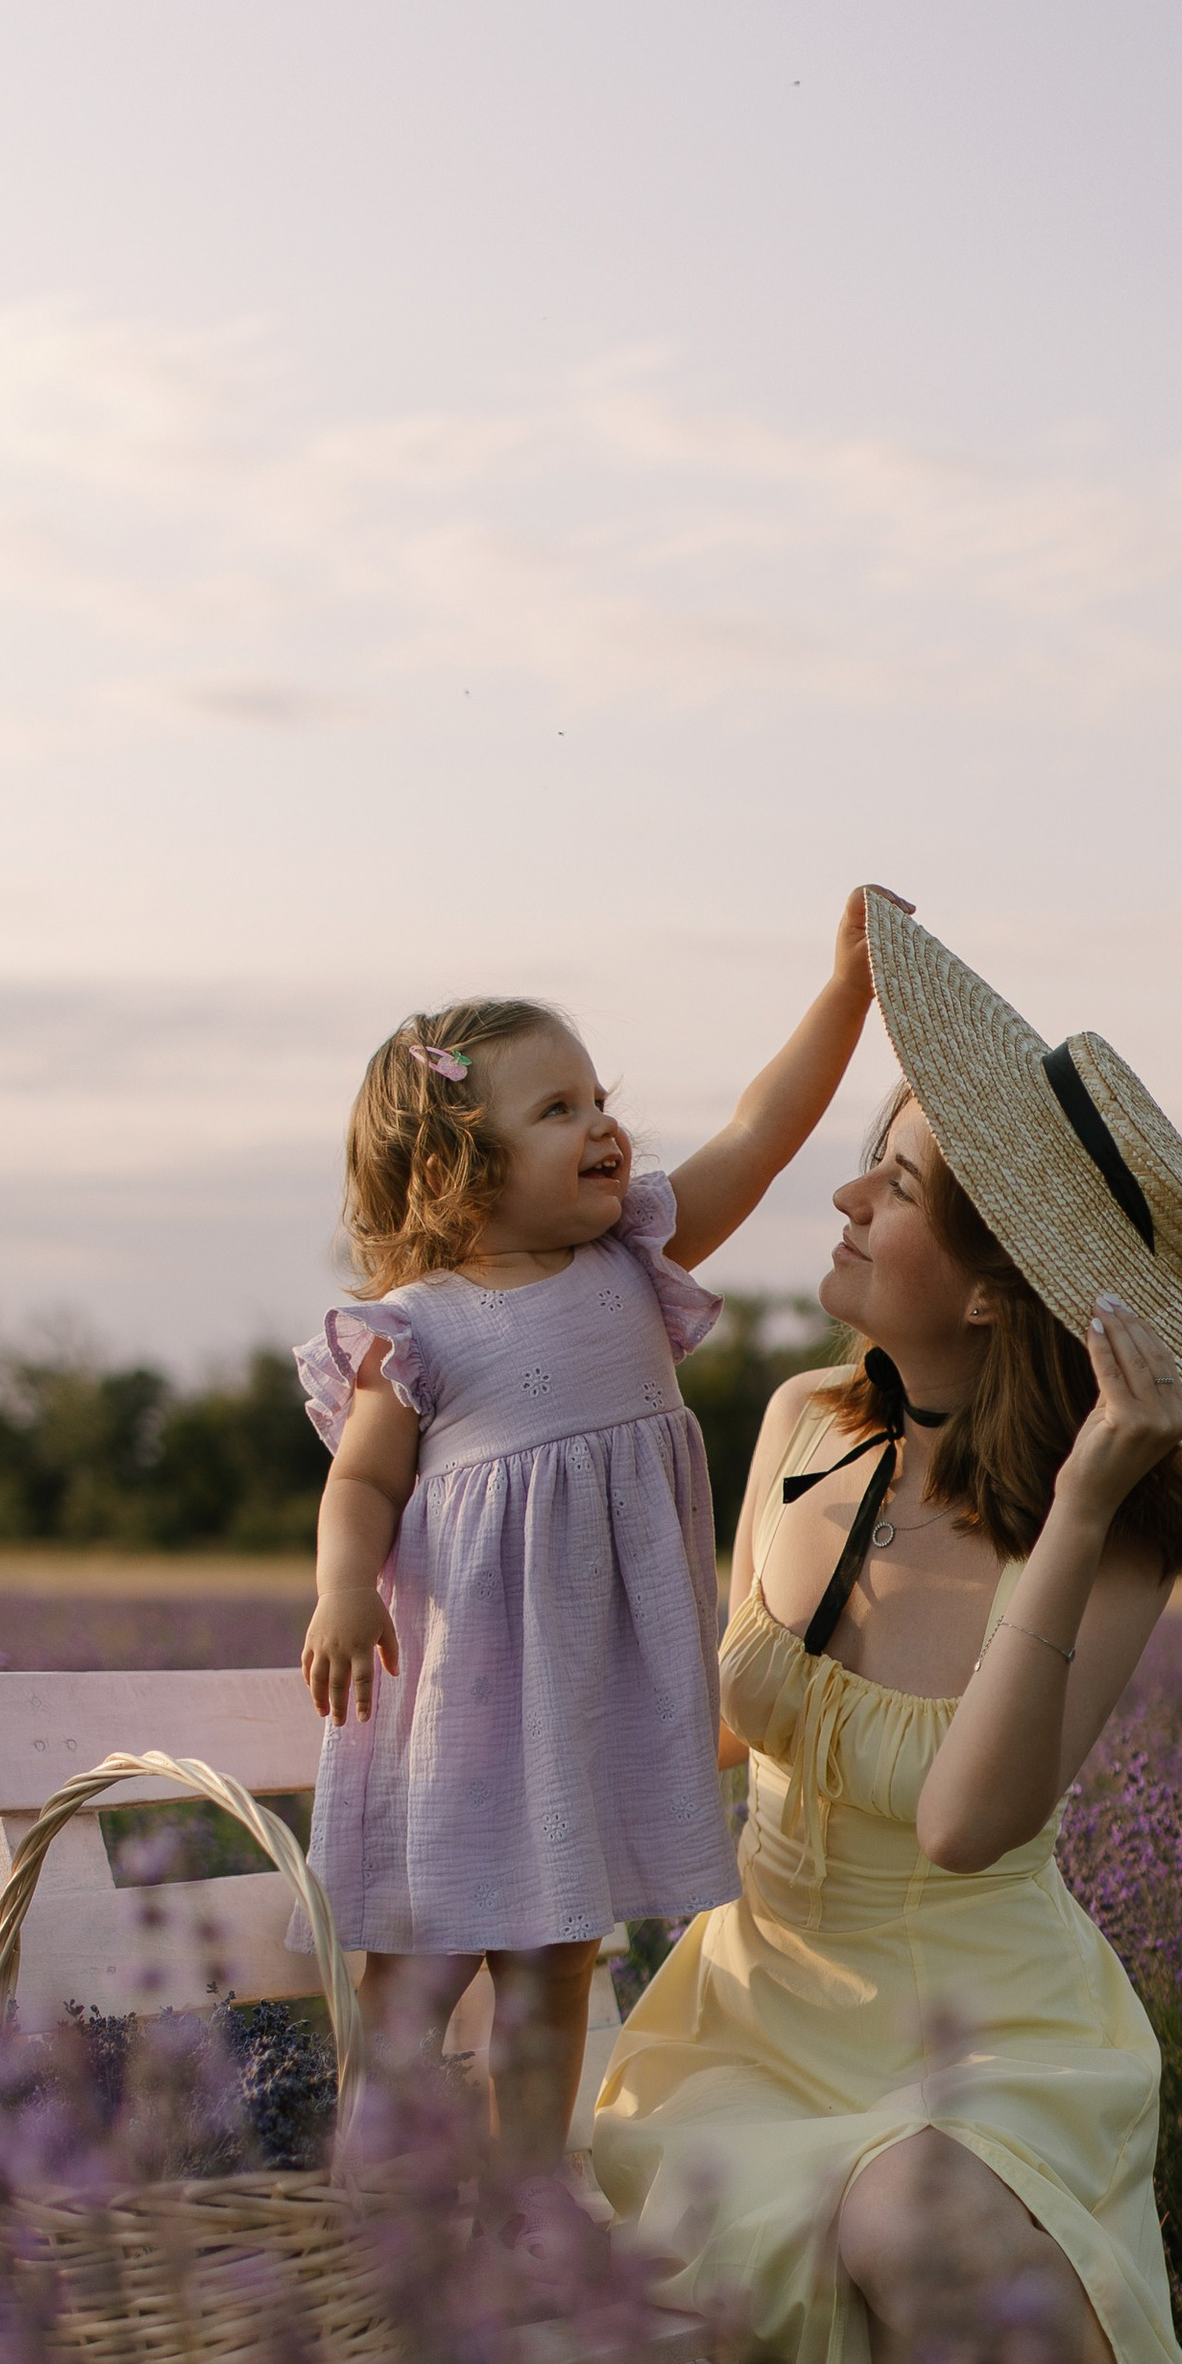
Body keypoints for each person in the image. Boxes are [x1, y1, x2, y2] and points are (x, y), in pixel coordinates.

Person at [590, 895, 1182, 2364]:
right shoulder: (791, 1428)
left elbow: (966, 1818)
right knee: (763, 2210)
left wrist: (1073, 1515)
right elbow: (694, 1724)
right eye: (867, 1163)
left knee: (914, 2209)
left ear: (996, 1289)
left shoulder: (1124, 1527)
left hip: (983, 2012)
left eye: (898, 1186)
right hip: (756, 2008)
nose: (844, 1202)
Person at [296, 891, 891, 2170]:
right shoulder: (418, 1328)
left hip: (580, 1701)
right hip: (463, 1714)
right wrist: (344, 1588)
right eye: (557, 1110)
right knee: (416, 1968)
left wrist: (846, 991)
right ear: (456, 1170)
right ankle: (379, 2208)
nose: (603, 1125)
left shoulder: (633, 1258)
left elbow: (761, 1134)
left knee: (558, 1960)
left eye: (598, 1097)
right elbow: (360, 1486)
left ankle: (525, 2201)